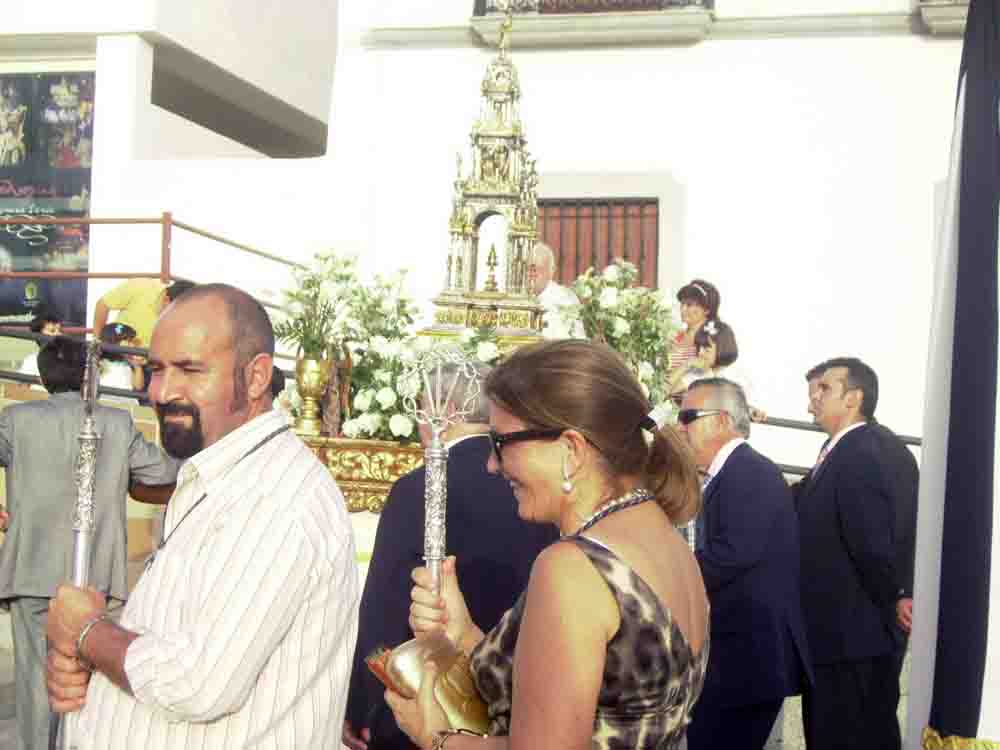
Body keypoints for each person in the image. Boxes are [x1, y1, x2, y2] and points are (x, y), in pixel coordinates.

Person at [45, 283, 361, 749]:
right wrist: (88, 664)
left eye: (191, 370)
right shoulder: (224, 475)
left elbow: (196, 683)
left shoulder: (275, 498)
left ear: (256, 378)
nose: (164, 390)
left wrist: (87, 633)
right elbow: (175, 636)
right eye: (155, 369)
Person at [385, 339, 708, 750]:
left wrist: (435, 738)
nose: (491, 464)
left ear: (571, 448)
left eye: (500, 443)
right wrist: (464, 634)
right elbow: (603, 701)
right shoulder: (665, 537)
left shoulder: (573, 567)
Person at [343, 362, 557, 750]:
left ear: (447, 411)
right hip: (524, 692)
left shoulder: (415, 487)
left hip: (429, 701)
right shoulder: (537, 486)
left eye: (424, 410)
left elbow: (385, 604)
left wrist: (363, 705)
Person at [0, 337, 179, 750]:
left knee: (35, 686)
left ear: (43, 376)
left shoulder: (16, 419)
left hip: (32, 572)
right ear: (91, 375)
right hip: (94, 580)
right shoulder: (116, 423)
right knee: (88, 689)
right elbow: (163, 472)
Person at [677, 377, 812, 750]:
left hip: (748, 661)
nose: (679, 427)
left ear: (722, 420)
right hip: (734, 660)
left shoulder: (749, 472)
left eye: (688, 416)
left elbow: (733, 553)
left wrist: (665, 574)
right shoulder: (730, 473)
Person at [797, 357, 901, 750]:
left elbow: (871, 544)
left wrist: (892, 599)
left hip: (851, 638)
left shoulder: (860, 454)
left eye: (824, 389)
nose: (813, 400)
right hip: (832, 635)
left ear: (853, 398)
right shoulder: (835, 449)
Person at [92, 278, 196, 347]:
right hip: (119, 356)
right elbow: (103, 305)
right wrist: (98, 344)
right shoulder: (140, 287)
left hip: (150, 365)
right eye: (175, 312)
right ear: (166, 299)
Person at [527, 243, 583, 339]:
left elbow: (575, 339)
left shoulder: (565, 299)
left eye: (538, 269)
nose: (532, 274)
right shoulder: (517, 296)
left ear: (552, 270)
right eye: (528, 269)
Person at [98, 322, 145, 396]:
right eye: (128, 341)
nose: (131, 345)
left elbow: (138, 387)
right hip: (104, 402)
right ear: (114, 342)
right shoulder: (100, 362)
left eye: (131, 341)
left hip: (127, 402)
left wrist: (138, 367)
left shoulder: (129, 363)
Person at [17, 307, 62, 383]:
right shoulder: (31, 361)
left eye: (60, 330)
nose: (59, 334)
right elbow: (19, 389)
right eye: (52, 331)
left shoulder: (68, 358)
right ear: (39, 336)